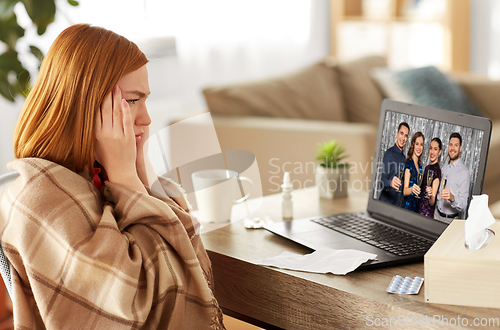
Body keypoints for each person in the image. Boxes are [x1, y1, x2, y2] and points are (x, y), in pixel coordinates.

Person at [0, 24, 225, 329]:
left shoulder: (99, 177)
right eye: (132, 101)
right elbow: (129, 308)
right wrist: (125, 176)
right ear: (84, 104)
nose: (146, 118)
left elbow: (187, 256)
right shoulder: (41, 199)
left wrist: (137, 170)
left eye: (145, 101)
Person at [434, 132, 471, 223]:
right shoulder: (444, 167)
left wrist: (452, 198)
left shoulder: (464, 172)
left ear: (460, 148)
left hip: (450, 221)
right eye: (451, 145)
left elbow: (464, 205)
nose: (452, 148)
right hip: (436, 215)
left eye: (456, 145)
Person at [379, 122, 410, 205]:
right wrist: (390, 183)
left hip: (396, 205)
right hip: (385, 203)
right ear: (397, 134)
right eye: (401, 133)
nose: (403, 138)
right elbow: (381, 180)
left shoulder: (404, 159)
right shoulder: (389, 153)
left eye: (406, 135)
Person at [417, 138, 442, 218]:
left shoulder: (437, 171)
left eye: (435, 149)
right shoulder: (427, 167)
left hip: (426, 214)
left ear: (440, 152)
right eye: (430, 148)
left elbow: (432, 202)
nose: (432, 152)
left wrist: (430, 195)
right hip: (419, 209)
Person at [402, 132, 424, 212]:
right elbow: (404, 191)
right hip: (407, 208)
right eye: (417, 144)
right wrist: (412, 189)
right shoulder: (409, 164)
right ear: (413, 145)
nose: (419, 147)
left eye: (421, 144)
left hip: (416, 208)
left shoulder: (420, 167)